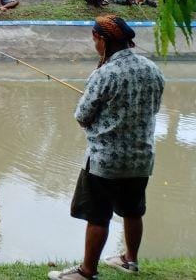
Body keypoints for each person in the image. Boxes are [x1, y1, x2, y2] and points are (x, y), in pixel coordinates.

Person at [48, 15, 164, 280]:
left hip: (105, 161)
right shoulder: (152, 69)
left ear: (102, 40)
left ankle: (87, 272)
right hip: (141, 158)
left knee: (98, 216)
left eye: (94, 37)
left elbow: (83, 116)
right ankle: (130, 260)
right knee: (133, 211)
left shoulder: (105, 74)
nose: (94, 42)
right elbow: (153, 109)